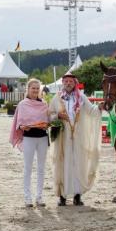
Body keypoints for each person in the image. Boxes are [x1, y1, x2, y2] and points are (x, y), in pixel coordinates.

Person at [48, 73, 102, 206]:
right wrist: (58, 116)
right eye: (65, 81)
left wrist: (100, 107)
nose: (68, 83)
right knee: (63, 164)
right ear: (63, 83)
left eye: (70, 81)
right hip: (62, 138)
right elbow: (49, 116)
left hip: (78, 138)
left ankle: (77, 195)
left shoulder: (81, 97)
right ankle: (62, 196)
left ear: (75, 83)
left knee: (78, 164)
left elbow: (92, 111)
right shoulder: (56, 98)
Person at [9, 78, 50, 207]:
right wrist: (22, 127)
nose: (35, 90)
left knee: (41, 168)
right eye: (33, 88)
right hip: (28, 138)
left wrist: (47, 125)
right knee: (28, 168)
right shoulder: (22, 104)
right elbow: (19, 122)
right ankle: (27, 198)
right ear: (28, 89)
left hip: (42, 137)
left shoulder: (44, 104)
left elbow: (47, 120)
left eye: (37, 88)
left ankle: (39, 197)